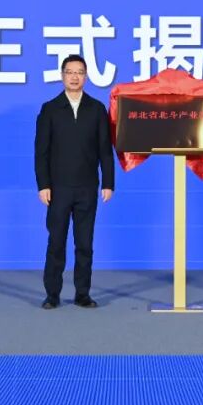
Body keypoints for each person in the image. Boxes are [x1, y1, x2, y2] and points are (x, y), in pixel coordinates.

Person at [35, 54, 115, 309]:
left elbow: (105, 150)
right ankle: (52, 294)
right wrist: (43, 185)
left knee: (85, 244)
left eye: (79, 72)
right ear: (62, 76)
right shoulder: (50, 109)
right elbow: (41, 151)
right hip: (58, 188)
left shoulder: (97, 109)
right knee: (56, 242)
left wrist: (108, 183)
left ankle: (83, 294)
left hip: (87, 187)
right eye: (70, 72)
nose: (74, 77)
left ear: (86, 77)